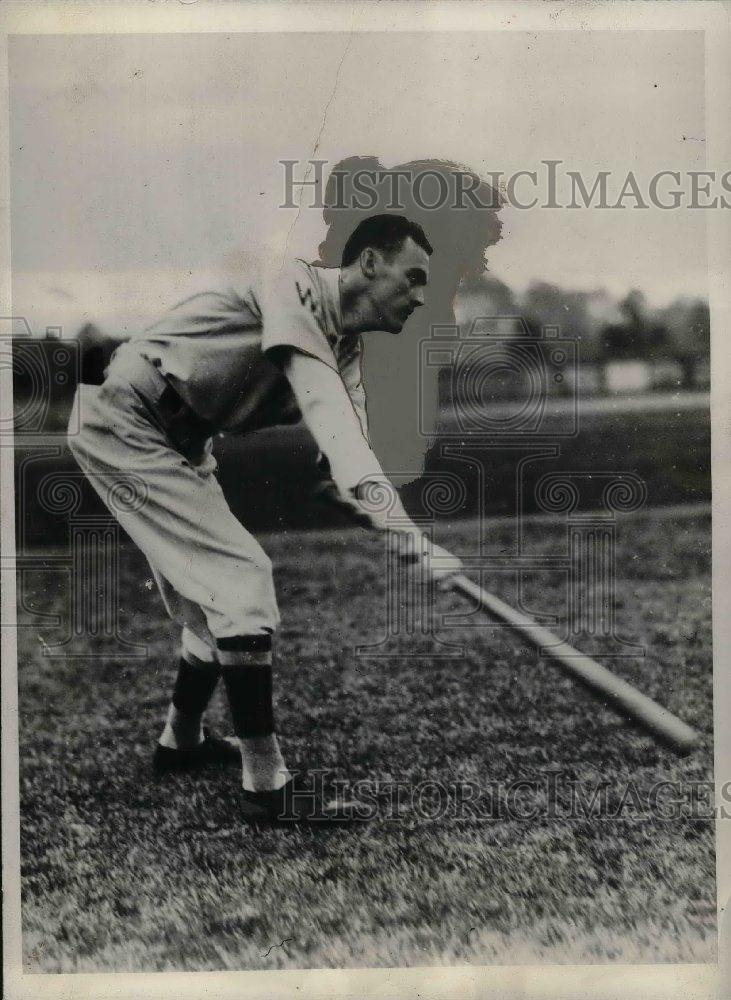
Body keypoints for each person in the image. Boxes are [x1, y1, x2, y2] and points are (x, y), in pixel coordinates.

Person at [68, 214, 463, 824]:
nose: (418, 296)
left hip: (179, 438)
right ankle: (266, 788)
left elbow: (347, 451)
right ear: (368, 265)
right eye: (412, 277)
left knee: (212, 601)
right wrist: (415, 538)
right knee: (242, 580)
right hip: (130, 418)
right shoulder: (292, 287)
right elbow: (326, 411)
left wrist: (375, 508)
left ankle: (182, 742)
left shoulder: (345, 347)